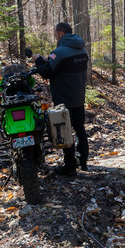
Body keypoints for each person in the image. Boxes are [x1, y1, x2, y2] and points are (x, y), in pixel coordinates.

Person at [31, 22, 90, 176]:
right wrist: (48, 60)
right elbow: (65, 66)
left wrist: (38, 60)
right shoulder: (82, 49)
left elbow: (46, 73)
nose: (55, 37)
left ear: (61, 34)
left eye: (55, 34)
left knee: (65, 130)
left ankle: (70, 166)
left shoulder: (59, 52)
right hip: (79, 96)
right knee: (80, 128)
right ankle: (83, 162)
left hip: (64, 98)